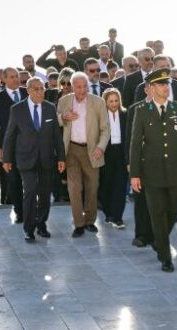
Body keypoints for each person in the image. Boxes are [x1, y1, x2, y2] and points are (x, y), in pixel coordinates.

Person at [129, 68, 177, 272]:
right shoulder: (142, 111)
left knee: (172, 211)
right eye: (161, 84)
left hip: (175, 172)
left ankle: (159, 240)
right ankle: (166, 257)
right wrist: (134, 174)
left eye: (167, 83)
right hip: (151, 173)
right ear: (150, 88)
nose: (166, 87)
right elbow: (135, 144)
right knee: (158, 213)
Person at [2, 77, 65, 242]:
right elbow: (10, 136)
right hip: (25, 158)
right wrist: (6, 159)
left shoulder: (50, 108)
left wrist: (61, 157)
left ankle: (41, 224)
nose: (40, 92)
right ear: (28, 90)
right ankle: (29, 228)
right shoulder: (17, 109)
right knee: (30, 191)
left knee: (45, 194)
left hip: (46, 159)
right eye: (36, 89)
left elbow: (57, 136)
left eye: (42, 89)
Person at [57, 72, 110, 238]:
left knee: (92, 187)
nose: (82, 90)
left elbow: (105, 129)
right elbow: (56, 121)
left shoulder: (98, 102)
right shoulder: (64, 101)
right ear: (72, 87)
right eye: (78, 87)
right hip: (71, 150)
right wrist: (63, 117)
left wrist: (100, 147)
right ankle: (78, 224)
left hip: (92, 150)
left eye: (84, 86)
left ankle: (90, 221)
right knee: (74, 188)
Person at [0, 67, 28, 216]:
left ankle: (31, 210)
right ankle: (19, 211)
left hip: (29, 145)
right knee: (14, 180)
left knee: (31, 180)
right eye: (11, 77)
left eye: (16, 76)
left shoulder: (28, 93)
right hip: (9, 147)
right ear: (3, 79)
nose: (15, 79)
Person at [127, 82, 155, 248]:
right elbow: (129, 137)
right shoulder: (135, 109)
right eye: (150, 87)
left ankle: (155, 235)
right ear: (145, 90)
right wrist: (129, 161)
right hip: (141, 162)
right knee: (141, 199)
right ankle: (141, 235)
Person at [98, 88, 127, 228]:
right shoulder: (101, 116)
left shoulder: (125, 114)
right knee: (106, 184)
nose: (114, 104)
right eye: (111, 101)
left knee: (120, 185)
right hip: (106, 153)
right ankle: (109, 213)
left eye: (116, 100)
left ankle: (118, 216)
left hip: (121, 153)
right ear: (105, 102)